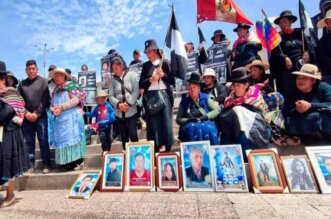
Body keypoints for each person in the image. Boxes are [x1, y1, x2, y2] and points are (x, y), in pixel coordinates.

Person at [217, 67, 272, 160]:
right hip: (235, 131)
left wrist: (241, 114)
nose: (235, 88)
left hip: (258, 130)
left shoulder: (255, 97)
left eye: (238, 85)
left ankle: (249, 158)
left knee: (238, 112)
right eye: (234, 85)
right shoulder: (229, 99)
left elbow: (264, 118)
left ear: (246, 85)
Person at [270, 10, 316, 114]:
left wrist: (307, 53)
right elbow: (275, 52)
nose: (282, 24)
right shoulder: (277, 37)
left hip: (300, 69)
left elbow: (308, 47)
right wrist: (284, 57)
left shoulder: (299, 33)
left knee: (303, 91)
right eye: (280, 23)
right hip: (286, 72)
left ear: (291, 22)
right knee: (289, 94)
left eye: (285, 21)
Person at [0, 61, 30, 208]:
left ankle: (10, 194)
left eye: (1, 78)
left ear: (5, 79)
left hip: (10, 131)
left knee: (9, 163)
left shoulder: (11, 92)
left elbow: (18, 110)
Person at [139, 39, 175, 152]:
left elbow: (172, 81)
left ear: (155, 50)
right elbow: (141, 84)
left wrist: (163, 75)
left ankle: (168, 151)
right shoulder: (145, 66)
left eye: (149, 52)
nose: (148, 55)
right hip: (151, 98)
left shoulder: (164, 63)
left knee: (166, 124)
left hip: (164, 96)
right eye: (146, 52)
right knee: (153, 126)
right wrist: (151, 79)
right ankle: (155, 151)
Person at [48, 68, 86, 171]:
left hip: (71, 119)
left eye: (60, 75)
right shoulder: (55, 90)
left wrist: (62, 107)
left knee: (72, 139)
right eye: (55, 76)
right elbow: (51, 104)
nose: (57, 77)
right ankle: (66, 162)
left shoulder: (70, 86)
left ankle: (76, 162)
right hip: (60, 120)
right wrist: (53, 109)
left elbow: (76, 99)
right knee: (63, 141)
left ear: (64, 76)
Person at [18, 60, 51, 174]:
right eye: (29, 69)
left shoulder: (43, 82)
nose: (31, 71)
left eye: (33, 68)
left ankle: (46, 163)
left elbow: (45, 99)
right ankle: (30, 165)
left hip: (41, 117)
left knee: (43, 140)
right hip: (27, 118)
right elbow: (19, 101)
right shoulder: (22, 84)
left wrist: (36, 113)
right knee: (29, 142)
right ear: (26, 70)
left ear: (37, 69)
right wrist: (26, 113)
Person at [285, 64, 331, 143]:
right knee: (289, 121)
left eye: (304, 78)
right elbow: (287, 111)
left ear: (313, 80)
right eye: (298, 78)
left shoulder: (323, 87)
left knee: (316, 117)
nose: (300, 81)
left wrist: (310, 105)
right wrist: (297, 110)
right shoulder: (293, 91)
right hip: (303, 121)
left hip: (323, 123)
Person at [176, 73, 220, 145]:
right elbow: (178, 119)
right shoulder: (184, 101)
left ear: (199, 89)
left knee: (208, 129)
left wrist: (205, 117)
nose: (192, 90)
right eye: (190, 87)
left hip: (206, 122)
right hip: (189, 124)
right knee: (190, 129)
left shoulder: (205, 98)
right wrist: (188, 120)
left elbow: (216, 110)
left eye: (194, 87)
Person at [109, 57, 139, 150]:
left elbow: (136, 91)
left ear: (121, 66)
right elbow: (110, 96)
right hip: (119, 113)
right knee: (124, 137)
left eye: (116, 68)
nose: (115, 71)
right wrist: (119, 105)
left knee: (133, 134)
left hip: (131, 110)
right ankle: (126, 155)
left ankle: (137, 153)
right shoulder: (112, 80)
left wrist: (128, 103)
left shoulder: (132, 75)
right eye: (113, 69)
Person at [317, 9, 331, 84]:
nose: (329, 25)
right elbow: (319, 57)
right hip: (329, 75)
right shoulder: (324, 40)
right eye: (327, 23)